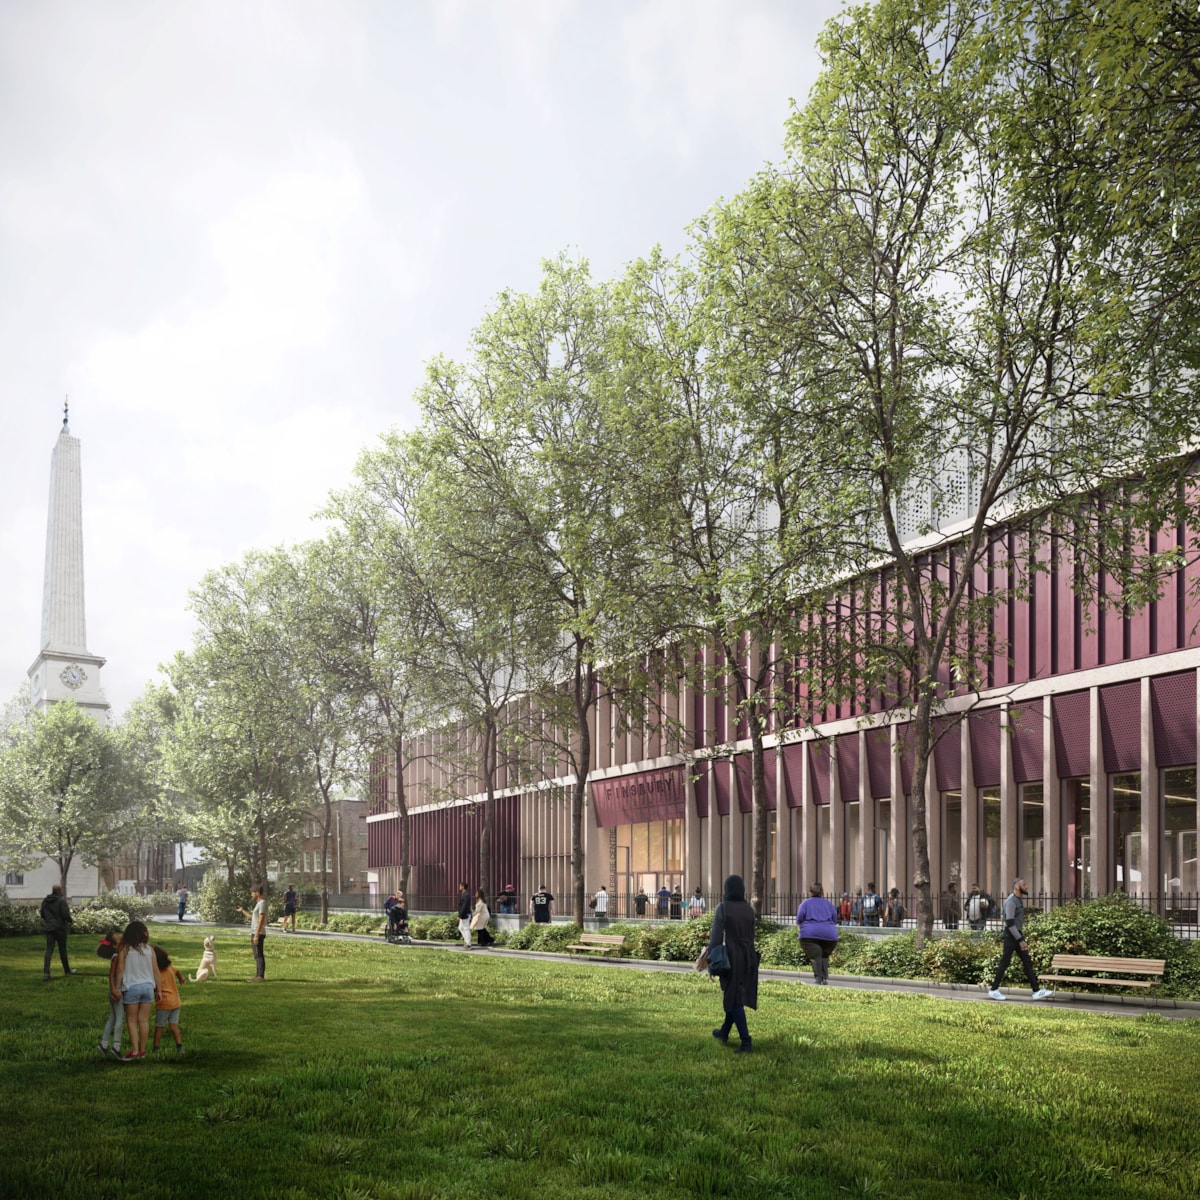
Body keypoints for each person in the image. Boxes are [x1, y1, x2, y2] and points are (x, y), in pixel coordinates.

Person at [708, 875, 759, 1053]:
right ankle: (724, 1032)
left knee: (734, 999)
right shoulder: (748, 909)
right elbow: (752, 934)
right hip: (748, 957)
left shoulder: (723, 908)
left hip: (731, 958)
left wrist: (710, 963)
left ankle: (746, 1041)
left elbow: (715, 938)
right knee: (734, 995)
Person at [988, 878, 1053, 1001]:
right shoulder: (1012, 901)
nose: (1026, 886)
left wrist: (1019, 938)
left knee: (1027, 962)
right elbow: (1010, 923)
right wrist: (1020, 940)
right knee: (1005, 962)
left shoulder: (1018, 900)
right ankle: (993, 990)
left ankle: (1036, 991)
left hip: (1016, 935)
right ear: (1017, 887)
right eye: (1024, 884)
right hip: (1011, 935)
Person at [113, 920, 160, 1060]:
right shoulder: (149, 950)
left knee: (132, 1020)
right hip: (148, 987)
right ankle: (142, 1050)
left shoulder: (125, 950)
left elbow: (120, 970)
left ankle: (134, 1051)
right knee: (144, 1020)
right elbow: (156, 971)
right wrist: (160, 990)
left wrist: (116, 987)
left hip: (132, 987)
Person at [796, 882, 839, 985]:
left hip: (809, 934)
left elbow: (799, 919)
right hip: (830, 935)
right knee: (824, 955)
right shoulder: (829, 904)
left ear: (810, 892)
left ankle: (818, 979)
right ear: (822, 892)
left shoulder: (805, 904)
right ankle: (824, 978)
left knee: (815, 956)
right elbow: (835, 919)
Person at [151, 945, 185, 1054]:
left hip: (164, 1003)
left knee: (159, 1026)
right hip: (176, 1002)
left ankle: (155, 1048)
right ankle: (179, 1047)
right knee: (173, 1025)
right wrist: (181, 979)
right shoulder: (170, 968)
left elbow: (154, 987)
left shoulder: (156, 973)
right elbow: (177, 971)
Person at [40, 884, 76, 980]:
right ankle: (67, 971)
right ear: (59, 891)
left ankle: (46, 973)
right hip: (60, 928)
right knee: (62, 950)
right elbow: (65, 915)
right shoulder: (61, 900)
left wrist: (49, 921)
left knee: (49, 950)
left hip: (49, 928)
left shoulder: (45, 901)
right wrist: (70, 921)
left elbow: (42, 914)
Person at [97, 930, 123, 1058]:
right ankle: (116, 1046)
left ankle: (104, 1044)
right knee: (120, 1018)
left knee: (112, 1017)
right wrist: (115, 989)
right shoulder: (116, 957)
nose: (121, 938)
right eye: (118, 939)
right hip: (117, 990)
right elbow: (111, 974)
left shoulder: (117, 955)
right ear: (114, 945)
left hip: (113, 990)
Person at [236, 886, 268, 982]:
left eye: (252, 892)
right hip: (254, 932)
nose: (251, 894)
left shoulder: (262, 903)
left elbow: (261, 919)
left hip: (258, 933)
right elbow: (252, 918)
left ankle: (260, 976)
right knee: (257, 954)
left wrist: (257, 935)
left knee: (259, 954)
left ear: (257, 893)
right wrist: (242, 911)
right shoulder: (258, 904)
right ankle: (258, 975)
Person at [456, 882, 473, 948]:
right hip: (464, 914)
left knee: (466, 928)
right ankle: (466, 941)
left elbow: (464, 906)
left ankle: (468, 943)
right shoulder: (464, 894)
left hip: (465, 914)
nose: (459, 887)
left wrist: (460, 916)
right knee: (460, 928)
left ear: (463, 886)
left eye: (460, 886)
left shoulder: (466, 895)